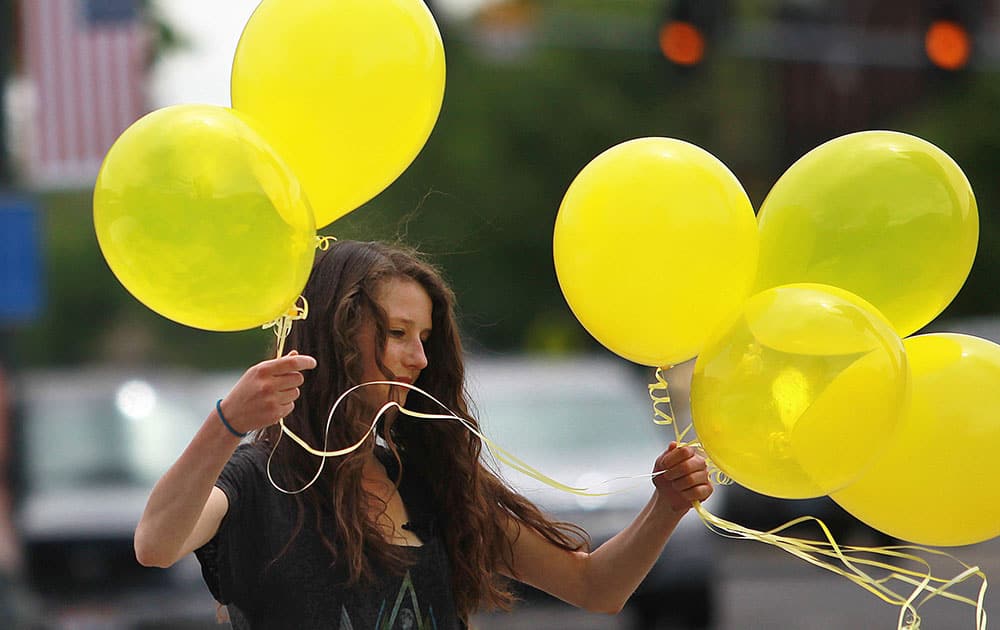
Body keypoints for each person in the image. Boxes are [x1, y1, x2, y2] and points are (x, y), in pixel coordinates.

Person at [134, 240, 713, 629]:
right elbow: (156, 543)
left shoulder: (427, 481)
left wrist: (666, 505)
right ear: (335, 336)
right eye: (397, 333)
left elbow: (594, 587)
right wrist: (226, 422)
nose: (417, 357)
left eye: (425, 337)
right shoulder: (262, 480)